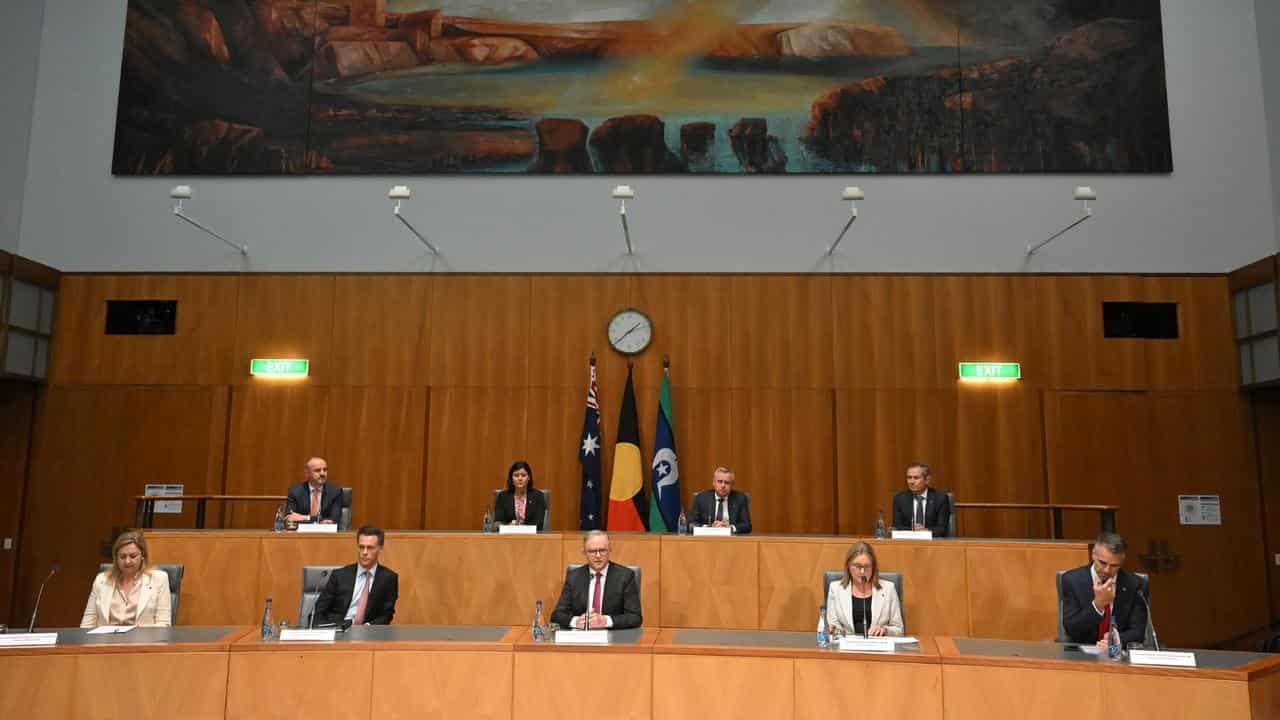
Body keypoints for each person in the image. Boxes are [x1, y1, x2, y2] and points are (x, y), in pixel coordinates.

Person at [1060, 532, 1148, 648]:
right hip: (1083, 651)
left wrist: (1116, 641)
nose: (1107, 570)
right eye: (1102, 563)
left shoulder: (1135, 584)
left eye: (1114, 566)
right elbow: (1071, 628)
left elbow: (1138, 632)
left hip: (1119, 652)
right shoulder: (1072, 580)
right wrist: (1098, 605)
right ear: (1093, 555)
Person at [551, 531, 642, 630]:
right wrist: (576, 621)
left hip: (614, 638)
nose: (598, 555)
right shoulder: (574, 577)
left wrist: (605, 621)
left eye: (602, 550)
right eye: (592, 551)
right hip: (581, 637)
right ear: (584, 552)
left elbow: (635, 617)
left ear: (610, 550)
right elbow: (557, 615)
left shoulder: (625, 576)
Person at [80, 530, 171, 628]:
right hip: (106, 641)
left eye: (133, 556)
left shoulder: (159, 579)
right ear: (116, 558)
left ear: (142, 556)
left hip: (142, 641)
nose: (127, 561)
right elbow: (87, 624)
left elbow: (163, 625)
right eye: (122, 556)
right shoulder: (101, 580)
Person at [311, 525, 399, 627]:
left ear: (380, 548)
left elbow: (386, 614)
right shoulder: (339, 575)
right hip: (337, 630)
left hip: (367, 634)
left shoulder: (389, 578)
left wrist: (368, 627)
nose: (364, 552)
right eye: (361, 547)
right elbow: (317, 612)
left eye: (370, 548)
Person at [825, 541, 903, 638]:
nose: (862, 572)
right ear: (849, 566)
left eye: (867, 567)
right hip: (847, 648)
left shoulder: (888, 589)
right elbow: (833, 627)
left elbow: (899, 629)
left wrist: (884, 630)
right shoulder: (835, 589)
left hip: (878, 647)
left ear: (873, 567)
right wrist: (834, 631)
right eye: (858, 566)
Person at [891, 463, 951, 537]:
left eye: (916, 478)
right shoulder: (900, 498)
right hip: (908, 541)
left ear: (927, 480)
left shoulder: (940, 498)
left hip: (933, 542)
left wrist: (926, 531)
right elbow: (897, 527)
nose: (911, 482)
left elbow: (942, 529)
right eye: (909, 477)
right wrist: (914, 532)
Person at [689, 466, 752, 534]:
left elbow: (746, 525)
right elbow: (691, 524)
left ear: (732, 485)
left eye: (727, 482)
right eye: (719, 481)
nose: (723, 485)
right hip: (707, 539)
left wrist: (729, 528)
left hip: (731, 540)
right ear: (713, 483)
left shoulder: (740, 499)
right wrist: (709, 528)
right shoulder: (701, 498)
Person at [285, 456, 343, 525]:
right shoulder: (295, 492)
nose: (322, 473)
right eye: (317, 470)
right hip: (301, 533)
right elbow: (290, 518)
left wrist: (305, 518)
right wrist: (319, 519)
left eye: (325, 470)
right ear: (307, 473)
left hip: (325, 534)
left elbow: (333, 520)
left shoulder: (335, 492)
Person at [494, 460, 547, 531]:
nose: (520, 478)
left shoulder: (538, 496)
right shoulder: (503, 496)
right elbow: (497, 523)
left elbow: (539, 523)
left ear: (529, 478)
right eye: (516, 475)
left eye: (523, 475)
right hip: (508, 537)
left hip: (532, 538)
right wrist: (509, 525)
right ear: (511, 478)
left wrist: (523, 524)